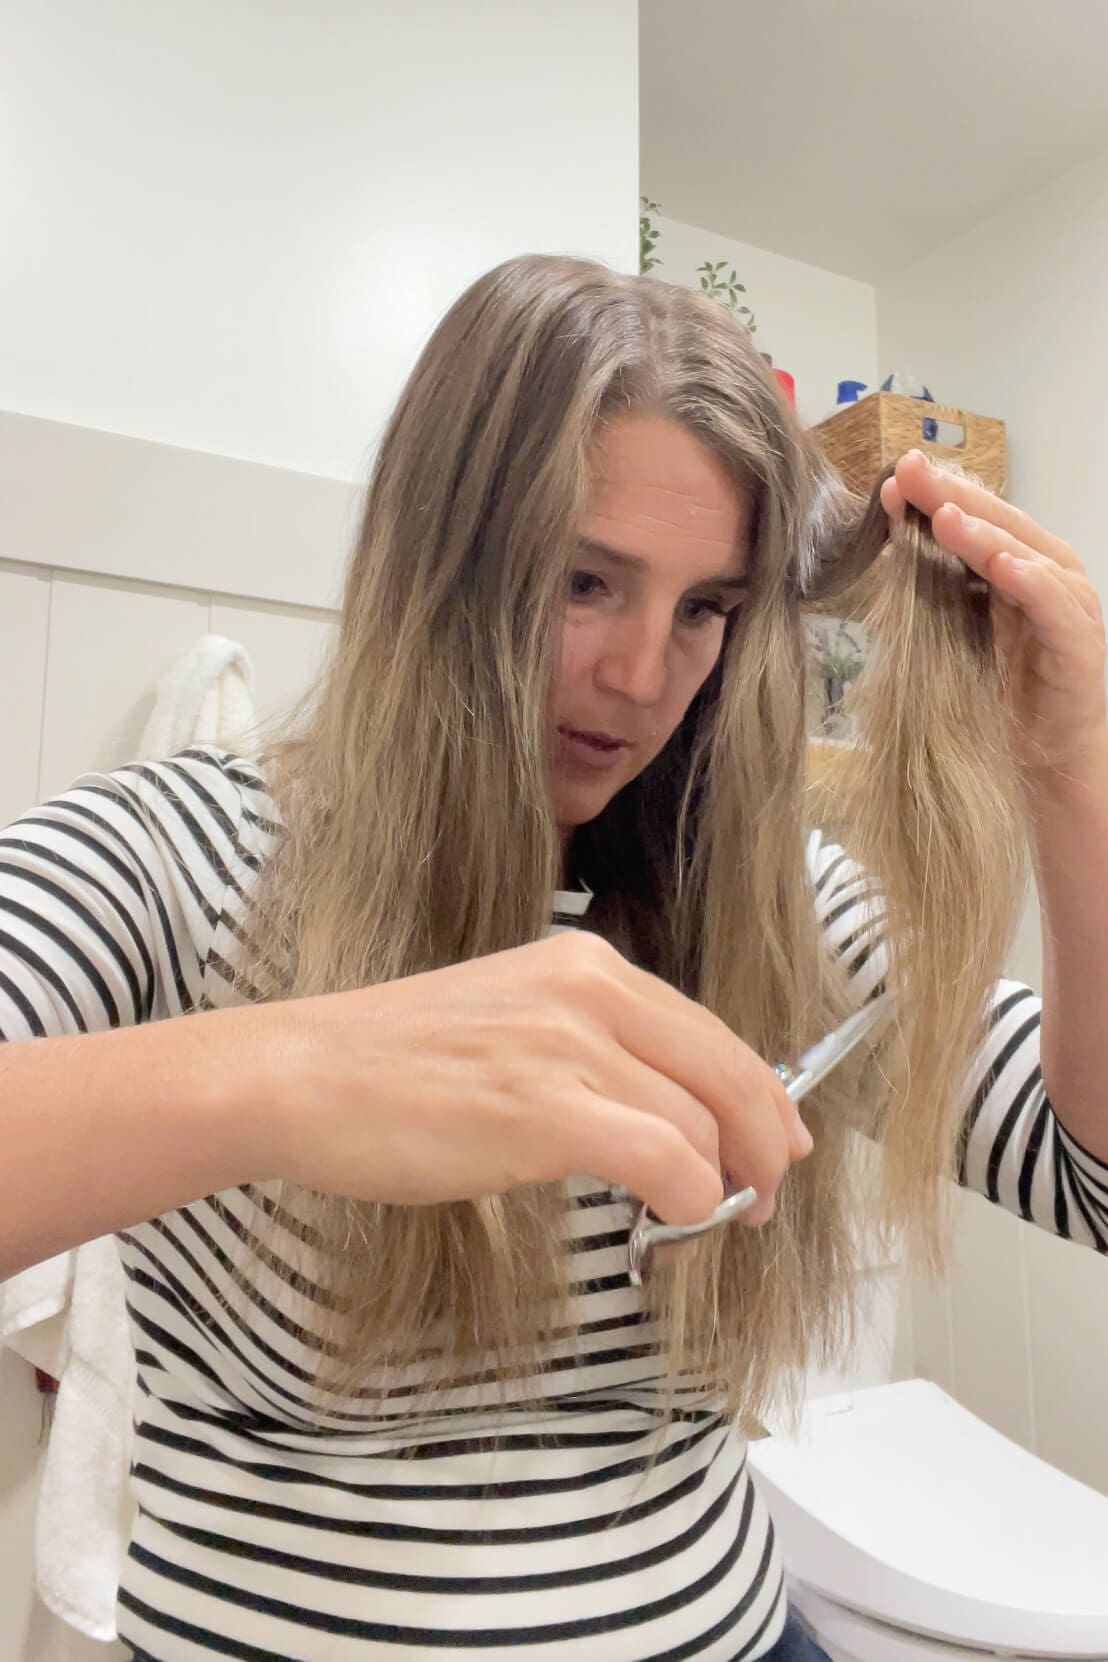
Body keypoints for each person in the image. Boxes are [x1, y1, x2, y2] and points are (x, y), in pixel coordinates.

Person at [1, 255, 1106, 1662]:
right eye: (585, 581)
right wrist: (290, 1072)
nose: (646, 677)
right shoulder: (178, 856)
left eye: (705, 607)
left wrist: (1075, 764)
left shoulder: (760, 907)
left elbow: (1095, 1178)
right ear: (440, 559)